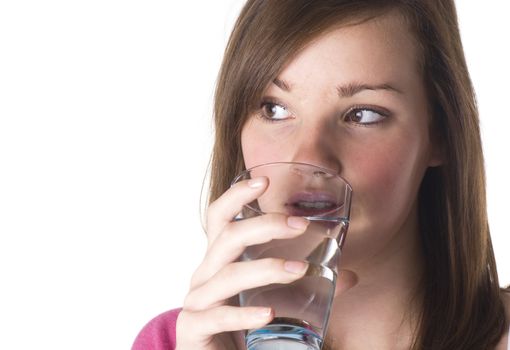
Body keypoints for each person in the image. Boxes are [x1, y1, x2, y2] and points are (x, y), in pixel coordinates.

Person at [132, 0, 510, 349]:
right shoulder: (181, 341)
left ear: (441, 132)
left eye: (363, 114)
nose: (309, 157)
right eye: (274, 109)